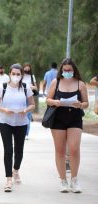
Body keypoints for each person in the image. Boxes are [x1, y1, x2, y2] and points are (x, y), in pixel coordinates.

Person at [46, 58, 89, 193]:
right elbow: (48, 100)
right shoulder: (56, 82)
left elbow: (86, 103)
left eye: (70, 70)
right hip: (58, 118)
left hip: (74, 118)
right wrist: (55, 102)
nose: (67, 72)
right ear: (61, 70)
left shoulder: (80, 84)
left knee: (74, 149)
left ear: (74, 70)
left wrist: (80, 104)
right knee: (60, 151)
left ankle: (74, 180)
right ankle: (63, 180)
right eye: (65, 70)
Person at [0, 64, 35, 192]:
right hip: (5, 122)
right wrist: (4, 109)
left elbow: (32, 104)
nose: (16, 76)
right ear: (9, 74)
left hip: (21, 122)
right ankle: (9, 179)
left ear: (21, 75)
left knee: (19, 150)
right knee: (8, 150)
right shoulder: (3, 87)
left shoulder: (26, 88)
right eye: (14, 73)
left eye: (18, 74)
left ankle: (16, 170)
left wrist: (26, 110)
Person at [22, 63, 38, 140]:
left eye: (28, 69)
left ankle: (26, 133)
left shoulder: (32, 76)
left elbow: (36, 88)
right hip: (21, 97)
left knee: (28, 115)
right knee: (20, 114)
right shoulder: (20, 76)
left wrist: (31, 87)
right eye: (25, 69)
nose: (27, 70)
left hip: (29, 97)